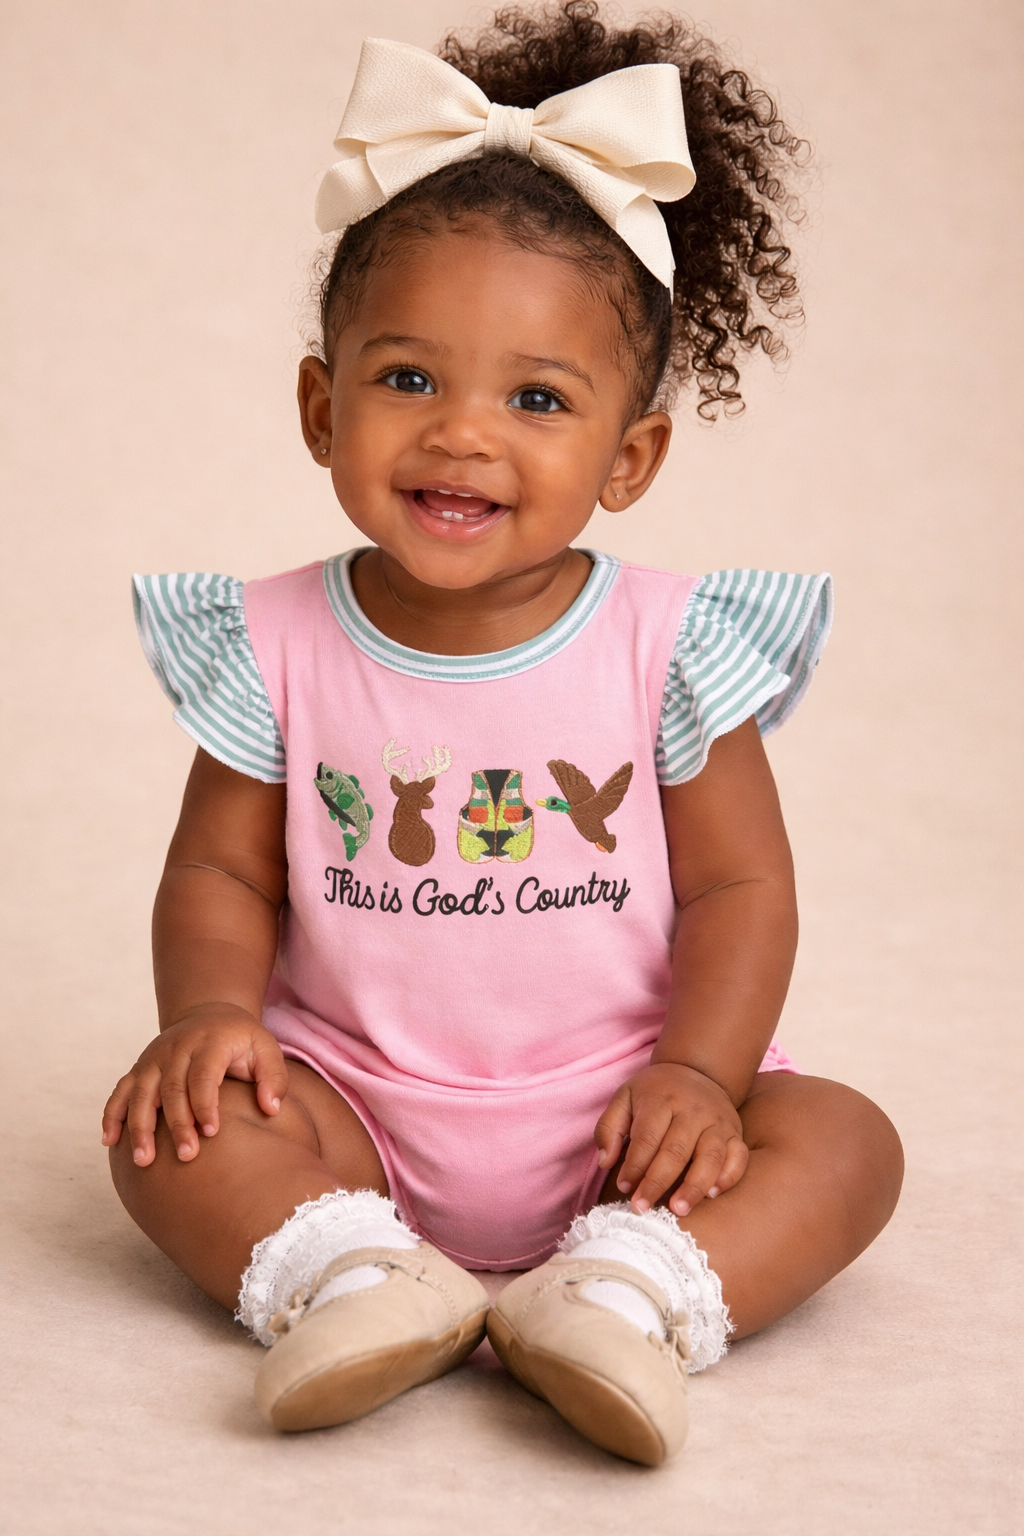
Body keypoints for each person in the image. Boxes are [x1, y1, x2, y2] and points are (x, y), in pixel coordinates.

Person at [103, 1, 903, 1465]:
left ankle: (619, 1290)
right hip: (348, 1109)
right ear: (318, 402)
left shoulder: (669, 647)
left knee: (849, 1143)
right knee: (162, 1133)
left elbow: (740, 889)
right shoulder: (273, 642)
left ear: (631, 456)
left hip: (629, 1122)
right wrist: (210, 1021)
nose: (464, 433)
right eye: (408, 379)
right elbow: (222, 876)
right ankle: (356, 1274)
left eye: (538, 399)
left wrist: (700, 1078)